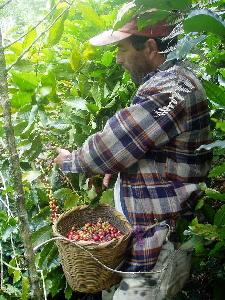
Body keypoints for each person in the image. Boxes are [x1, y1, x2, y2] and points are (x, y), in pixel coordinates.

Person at [54, 16, 212, 300]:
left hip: (155, 250)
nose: (118, 59)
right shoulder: (171, 80)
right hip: (145, 243)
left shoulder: (170, 89)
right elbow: (146, 143)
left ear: (150, 47)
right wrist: (120, 167)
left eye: (123, 49)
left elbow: (109, 148)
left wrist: (70, 160)